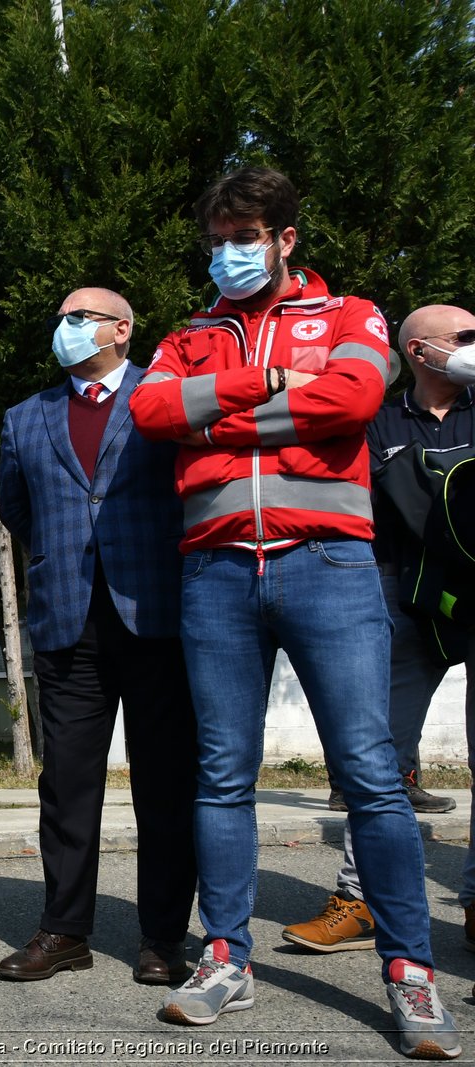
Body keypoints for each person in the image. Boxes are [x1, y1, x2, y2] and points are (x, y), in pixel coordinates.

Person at [131, 167, 459, 1057]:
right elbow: (153, 409)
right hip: (218, 572)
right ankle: (226, 954)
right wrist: (275, 381)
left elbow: (353, 397)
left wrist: (219, 414)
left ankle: (410, 970)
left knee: (370, 775)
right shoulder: (187, 333)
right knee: (223, 772)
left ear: (285, 239)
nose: (229, 254)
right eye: (217, 242)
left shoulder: (352, 314)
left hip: (330, 565)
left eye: (246, 237)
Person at [0, 289, 197, 985]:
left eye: (80, 316)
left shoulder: (163, 396)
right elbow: (18, 506)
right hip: (66, 620)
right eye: (61, 317)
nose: (66, 326)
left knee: (165, 783)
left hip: (156, 615)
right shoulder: (25, 417)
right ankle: (64, 929)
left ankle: (164, 937)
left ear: (122, 328)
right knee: (69, 785)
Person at [282, 303, 475, 954]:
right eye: (466, 337)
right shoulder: (378, 421)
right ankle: (360, 901)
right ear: (420, 352)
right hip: (404, 598)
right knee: (379, 761)